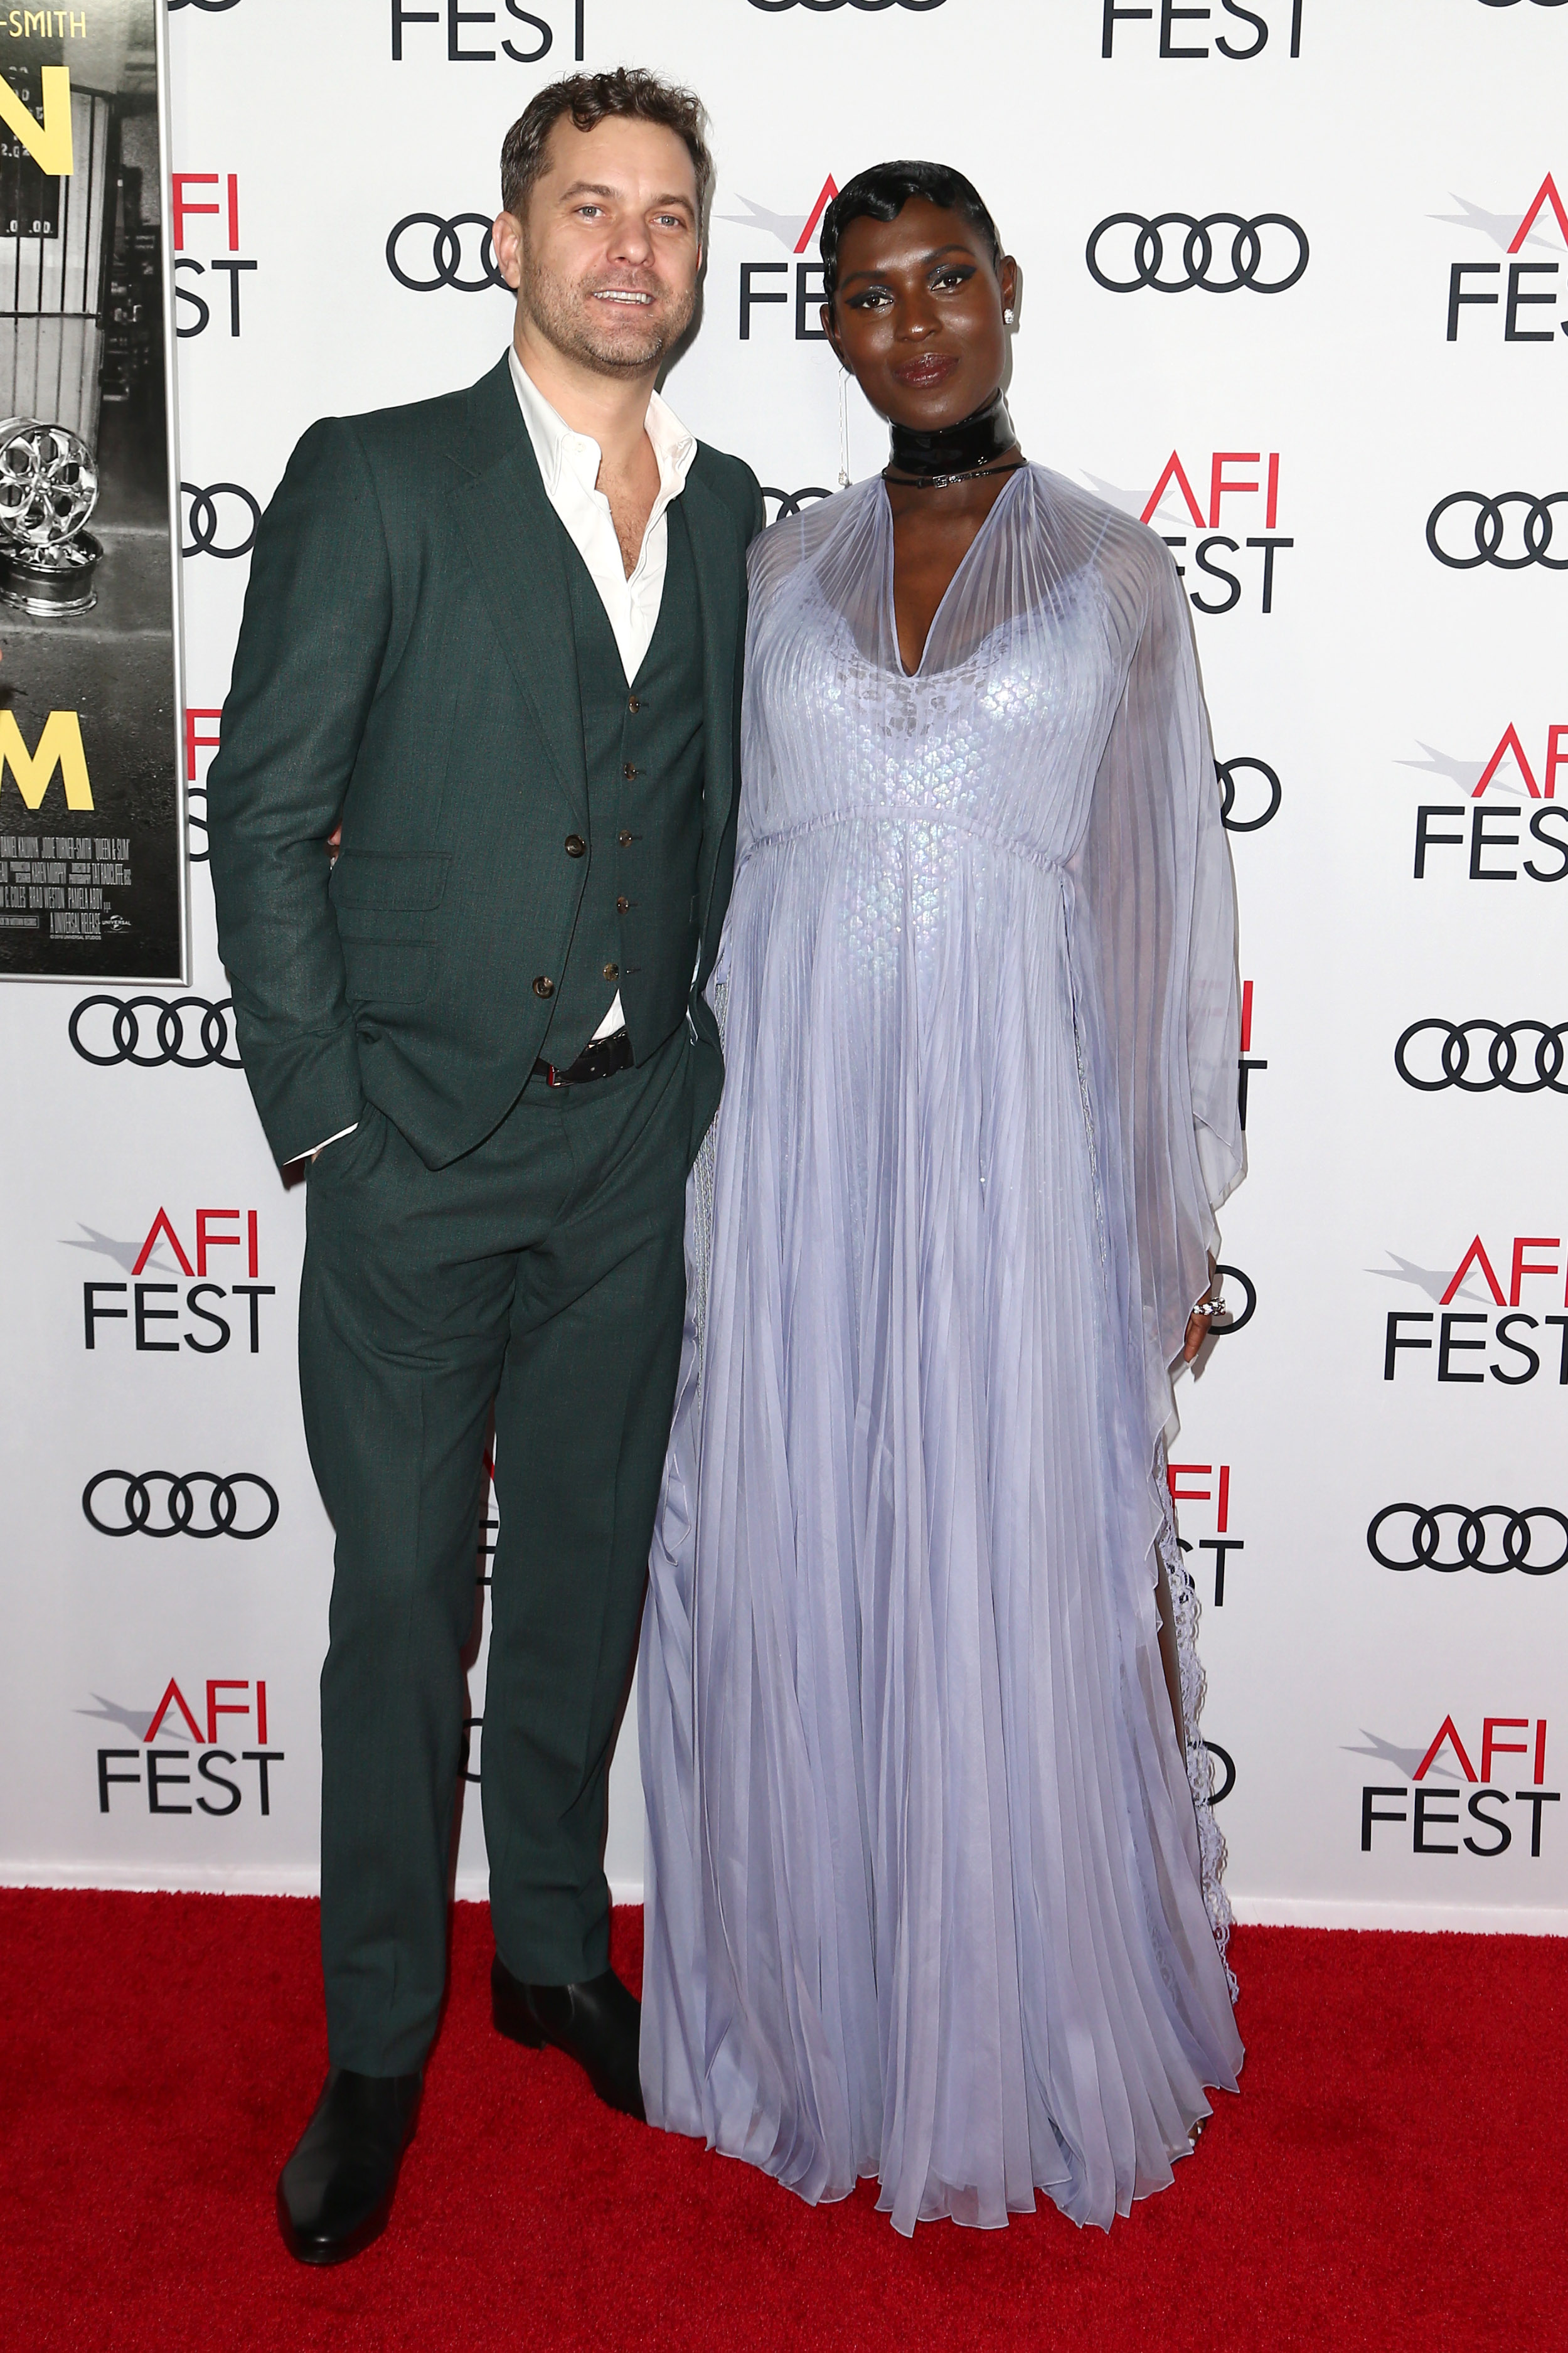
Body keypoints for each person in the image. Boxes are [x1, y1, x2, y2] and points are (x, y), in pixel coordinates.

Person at [638, 161, 1245, 2235]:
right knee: (795, 1540)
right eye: (870, 291)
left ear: (1008, 292)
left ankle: (1011, 2024)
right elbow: (689, 861)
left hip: (1011, 1145)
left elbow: (1155, 911)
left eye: (946, 280)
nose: (912, 321)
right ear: (827, 325)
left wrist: (1166, 1203)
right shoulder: (761, 570)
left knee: (1006, 1550)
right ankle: (810, 2016)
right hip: (787, 1139)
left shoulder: (1117, 571)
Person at [206, 70, 762, 2265]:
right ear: (509, 242)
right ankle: (376, 2038)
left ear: (701, 260)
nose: (632, 247)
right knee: (398, 1608)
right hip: (415, 1156)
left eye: (670, 214)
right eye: (589, 207)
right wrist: (327, 1117)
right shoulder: (379, 478)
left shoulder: (737, 511)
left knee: (589, 1568)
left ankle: (547, 1948)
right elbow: (266, 812)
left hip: (631, 1149)